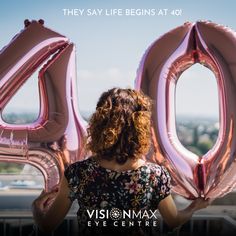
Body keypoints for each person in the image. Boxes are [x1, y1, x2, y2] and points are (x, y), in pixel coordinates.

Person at [32, 88, 211, 236]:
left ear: (99, 125)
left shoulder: (78, 173)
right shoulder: (155, 176)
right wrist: (194, 206)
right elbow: (173, 221)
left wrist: (36, 207)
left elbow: (47, 226)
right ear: (140, 128)